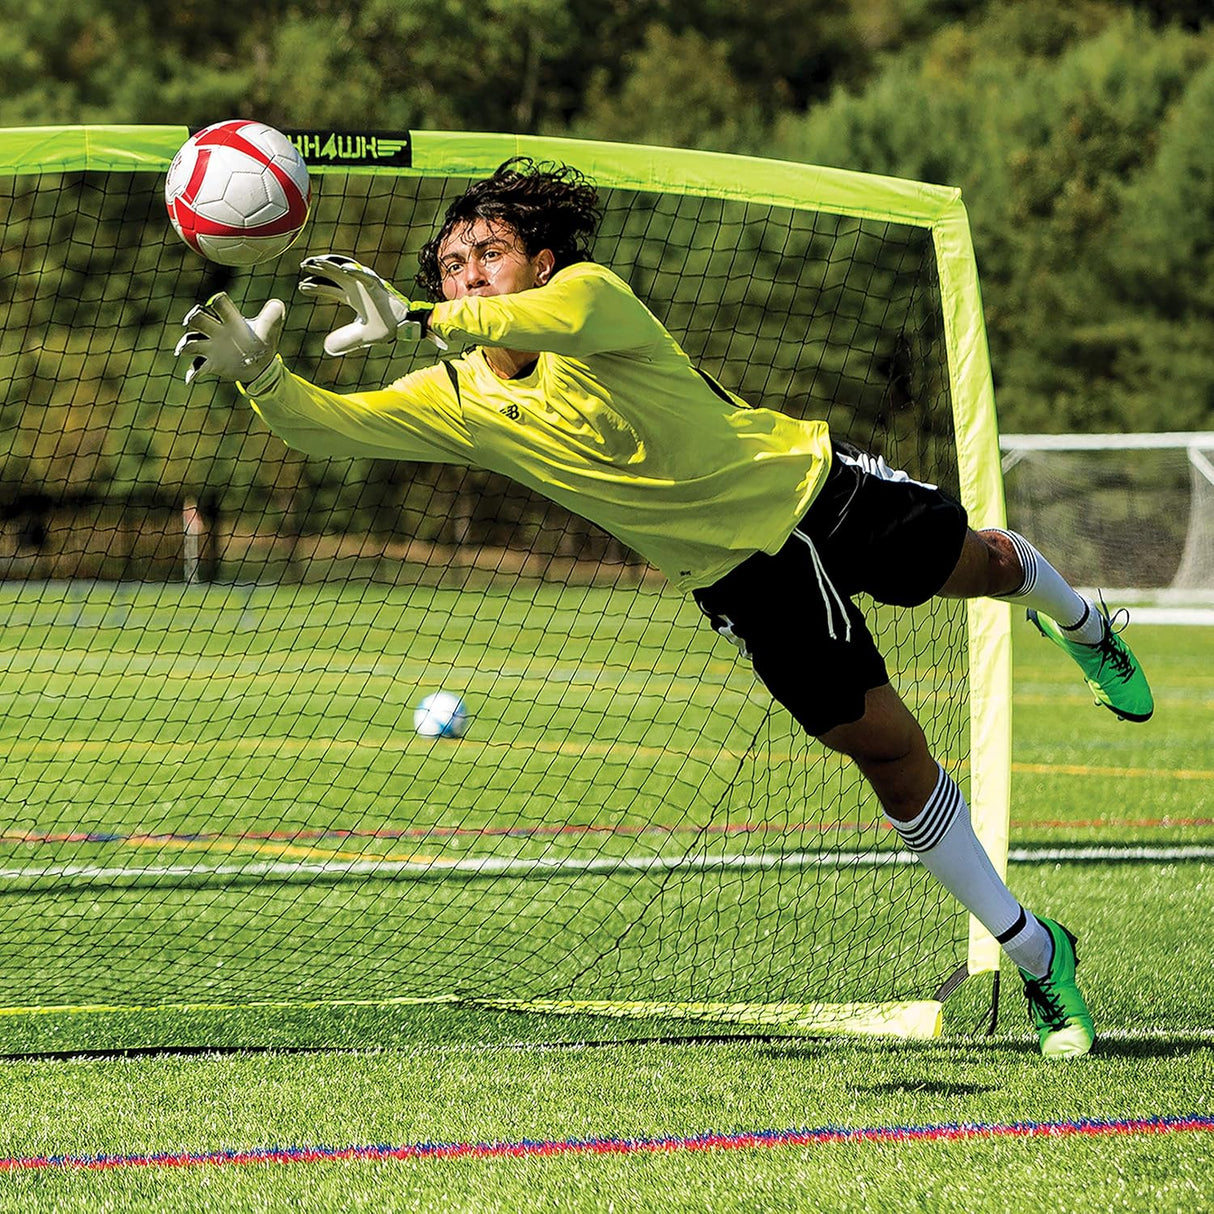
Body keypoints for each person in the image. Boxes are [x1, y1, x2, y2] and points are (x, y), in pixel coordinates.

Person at [176, 158, 1153, 1058]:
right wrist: (263, 378)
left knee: (978, 568)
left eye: (487, 255)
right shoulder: (459, 396)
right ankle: (1036, 954)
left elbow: (542, 321)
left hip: (810, 487)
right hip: (739, 578)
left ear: (542, 262)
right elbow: (334, 427)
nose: (466, 272)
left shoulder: (591, 303)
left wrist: (429, 316)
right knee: (887, 753)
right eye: (449, 262)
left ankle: (1078, 621)